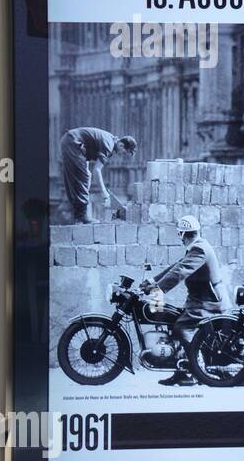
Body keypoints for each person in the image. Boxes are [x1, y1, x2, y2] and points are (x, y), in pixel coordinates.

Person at [141, 215, 228, 387]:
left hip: (208, 301)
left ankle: (194, 371)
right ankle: (181, 370)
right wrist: (150, 282)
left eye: (180, 234)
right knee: (174, 320)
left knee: (182, 327)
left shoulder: (199, 250)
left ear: (182, 234)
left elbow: (179, 272)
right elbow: (175, 266)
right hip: (199, 299)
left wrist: (158, 289)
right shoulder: (196, 247)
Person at [58, 127, 137, 224]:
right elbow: (97, 170)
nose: (122, 155)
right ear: (121, 145)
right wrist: (104, 193)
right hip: (73, 142)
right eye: (124, 153)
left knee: (85, 176)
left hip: (73, 143)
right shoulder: (108, 144)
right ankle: (84, 216)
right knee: (83, 179)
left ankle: (79, 216)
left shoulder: (110, 140)